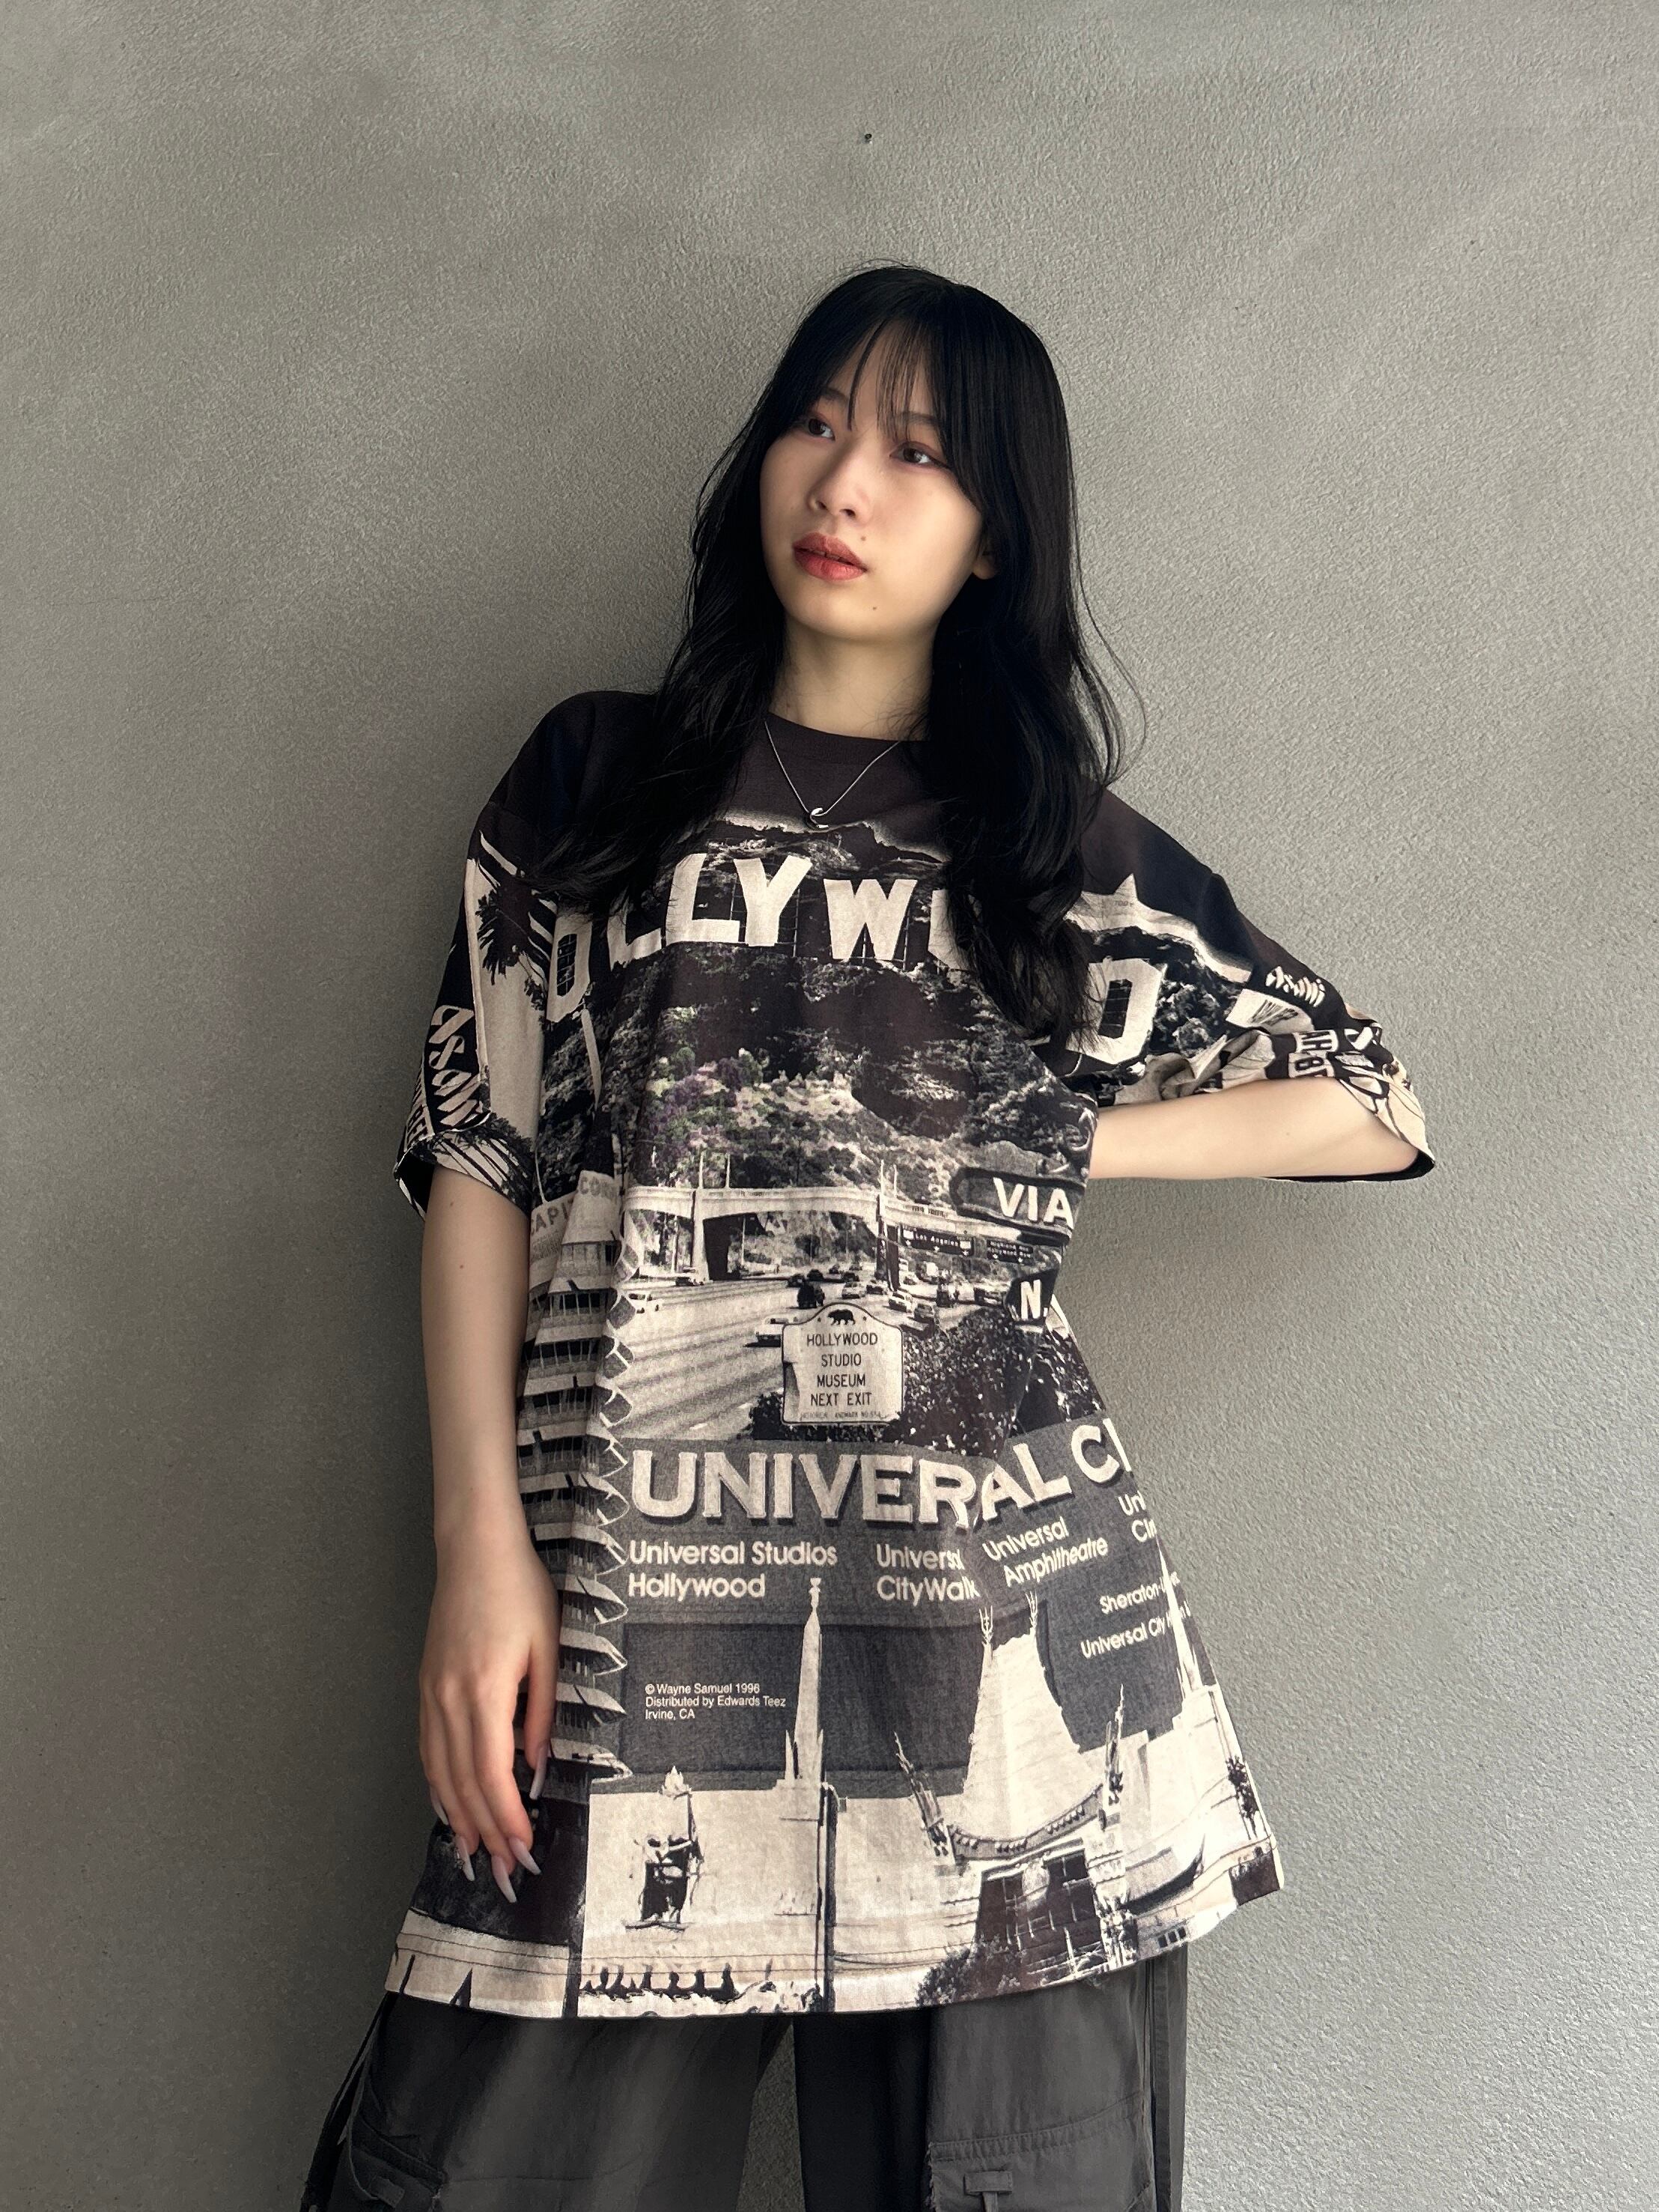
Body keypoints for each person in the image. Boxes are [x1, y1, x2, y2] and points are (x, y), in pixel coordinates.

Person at [299, 263, 1434, 2212]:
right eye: (819, 423)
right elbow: (482, 1148)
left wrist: (1063, 1144)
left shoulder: (1048, 853)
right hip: (628, 1611)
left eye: (919, 454)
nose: (846, 480)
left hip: (997, 1650)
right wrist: (480, 1550)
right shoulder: (592, 784)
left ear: (994, 539)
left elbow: (1372, 1100)